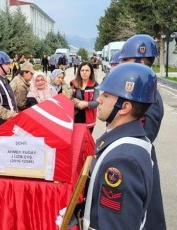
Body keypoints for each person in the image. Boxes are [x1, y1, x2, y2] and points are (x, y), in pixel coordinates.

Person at [57, 63, 157, 229]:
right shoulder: (126, 140)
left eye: (107, 95)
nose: (99, 99)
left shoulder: (122, 159)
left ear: (124, 107)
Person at [119, 34, 166, 230]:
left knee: (143, 218)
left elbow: (142, 137)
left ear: (140, 60)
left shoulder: (149, 94)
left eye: (125, 60)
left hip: (136, 164)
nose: (121, 64)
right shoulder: (141, 89)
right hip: (133, 160)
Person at [70, 62, 99, 133]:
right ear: (79, 72)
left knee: (87, 140)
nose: (84, 72)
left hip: (89, 116)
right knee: (76, 139)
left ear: (91, 72)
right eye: (82, 70)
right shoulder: (73, 83)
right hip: (75, 115)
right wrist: (77, 102)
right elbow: (69, 97)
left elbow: (97, 102)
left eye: (87, 70)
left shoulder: (95, 85)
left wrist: (86, 104)